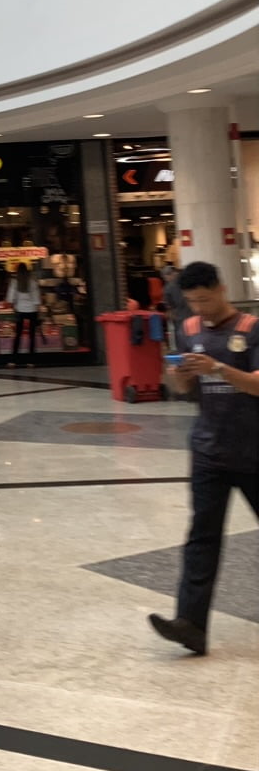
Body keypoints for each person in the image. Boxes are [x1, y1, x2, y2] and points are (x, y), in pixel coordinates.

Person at [149, 262, 259, 656]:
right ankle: (191, 624)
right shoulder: (189, 329)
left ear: (222, 288)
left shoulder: (251, 328)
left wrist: (217, 367)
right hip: (209, 451)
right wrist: (181, 375)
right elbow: (182, 388)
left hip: (254, 451)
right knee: (201, 538)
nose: (200, 309)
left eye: (206, 300)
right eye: (193, 302)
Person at [7, 263, 43, 359]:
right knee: (32, 336)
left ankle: (13, 360)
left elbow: (10, 298)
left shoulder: (14, 282)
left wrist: (13, 306)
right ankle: (31, 361)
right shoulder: (32, 282)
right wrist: (39, 310)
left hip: (19, 310)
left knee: (18, 335)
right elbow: (36, 300)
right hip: (32, 310)